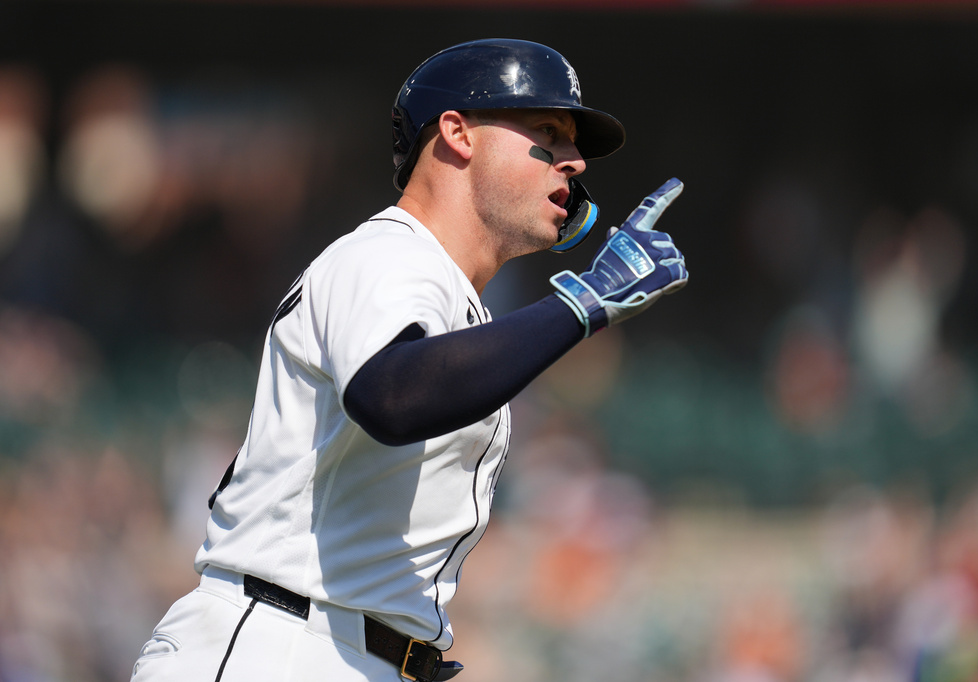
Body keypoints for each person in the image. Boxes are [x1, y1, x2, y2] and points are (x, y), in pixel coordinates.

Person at [130, 38, 689, 682]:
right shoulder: (387, 253)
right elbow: (391, 397)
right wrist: (583, 303)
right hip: (279, 643)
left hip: (340, 647)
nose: (575, 161)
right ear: (457, 133)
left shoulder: (451, 300)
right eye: (547, 131)